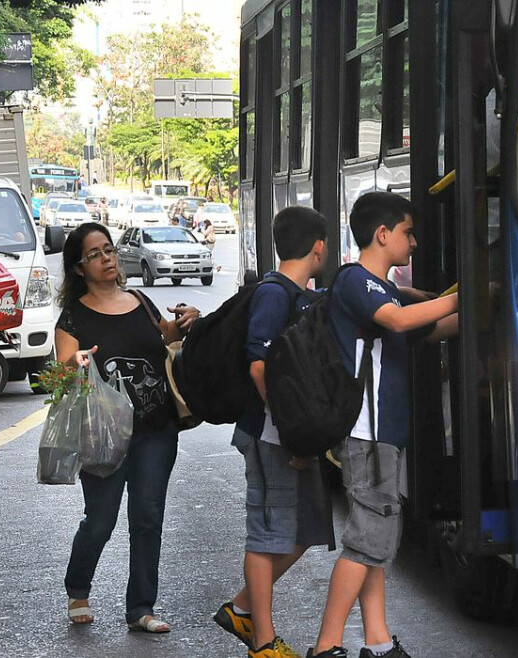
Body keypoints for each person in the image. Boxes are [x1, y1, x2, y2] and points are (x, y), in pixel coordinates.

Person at [308, 192, 458, 658]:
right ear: (383, 234)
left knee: (374, 537)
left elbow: (427, 329)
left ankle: (377, 640)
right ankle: (327, 645)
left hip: (380, 432)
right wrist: (462, 298)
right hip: (366, 432)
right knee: (368, 540)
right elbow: (399, 320)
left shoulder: (384, 289)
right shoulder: (358, 281)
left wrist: (476, 309)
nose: (413, 243)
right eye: (409, 233)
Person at [54, 222, 200, 633]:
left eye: (109, 249)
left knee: (148, 515)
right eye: (95, 254)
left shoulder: (139, 300)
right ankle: (78, 589)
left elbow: (166, 338)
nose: (107, 258)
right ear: (80, 267)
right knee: (100, 519)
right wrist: (76, 363)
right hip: (103, 433)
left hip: (156, 427)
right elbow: (63, 364)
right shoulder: (74, 317)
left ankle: (141, 608)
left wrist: (188, 321)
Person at [214, 206, 335, 658]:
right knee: (267, 533)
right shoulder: (273, 294)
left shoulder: (300, 293)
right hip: (268, 433)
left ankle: (243, 609)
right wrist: (289, 430)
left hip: (281, 432)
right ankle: (262, 640)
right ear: (319, 245)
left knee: (304, 529)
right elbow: (259, 365)